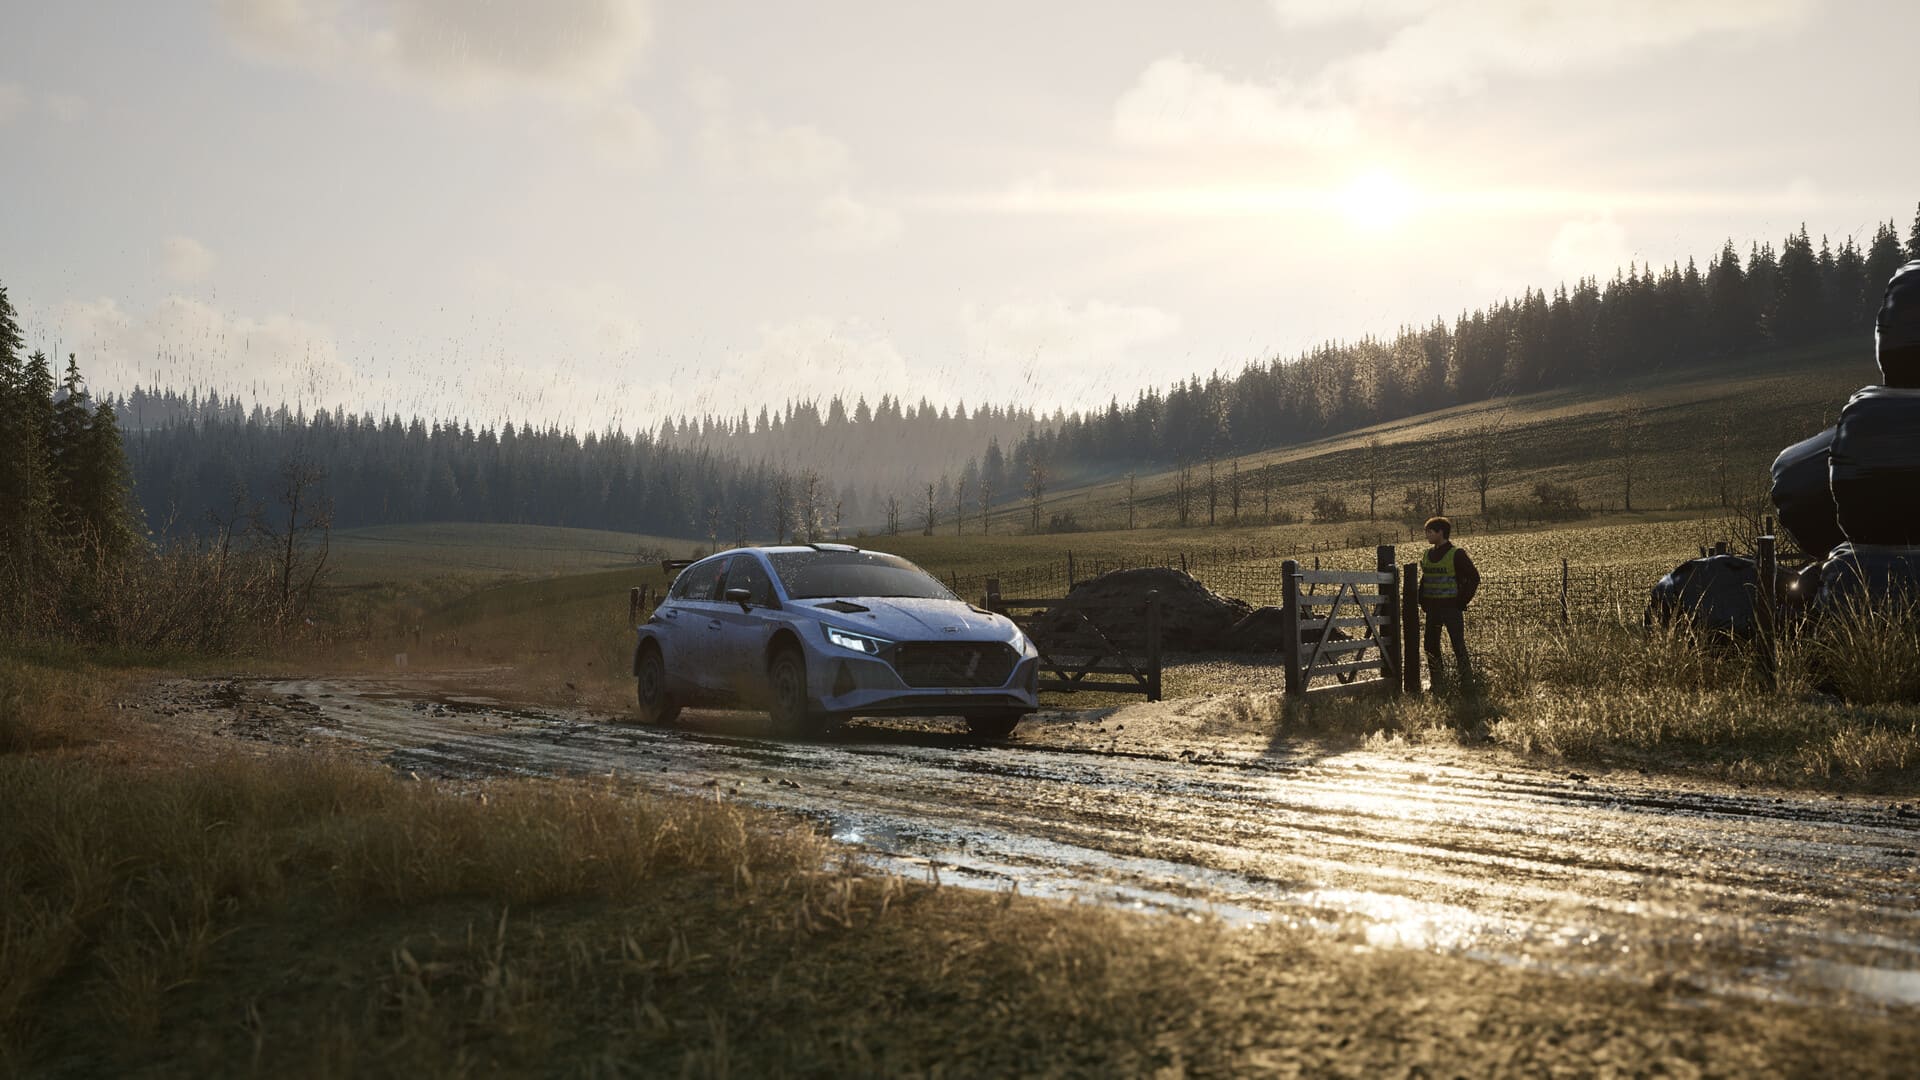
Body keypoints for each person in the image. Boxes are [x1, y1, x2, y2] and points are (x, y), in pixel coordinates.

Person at [1418, 515, 1480, 689]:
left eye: (1430, 532)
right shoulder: (1427, 554)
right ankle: (1437, 683)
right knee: (1430, 646)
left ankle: (1467, 683)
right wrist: (1422, 600)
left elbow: (1474, 577)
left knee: (1458, 645)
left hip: (1452, 608)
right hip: (1433, 609)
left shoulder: (1456, 554)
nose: (1427, 535)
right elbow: (1425, 578)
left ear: (1441, 532)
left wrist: (1462, 601)